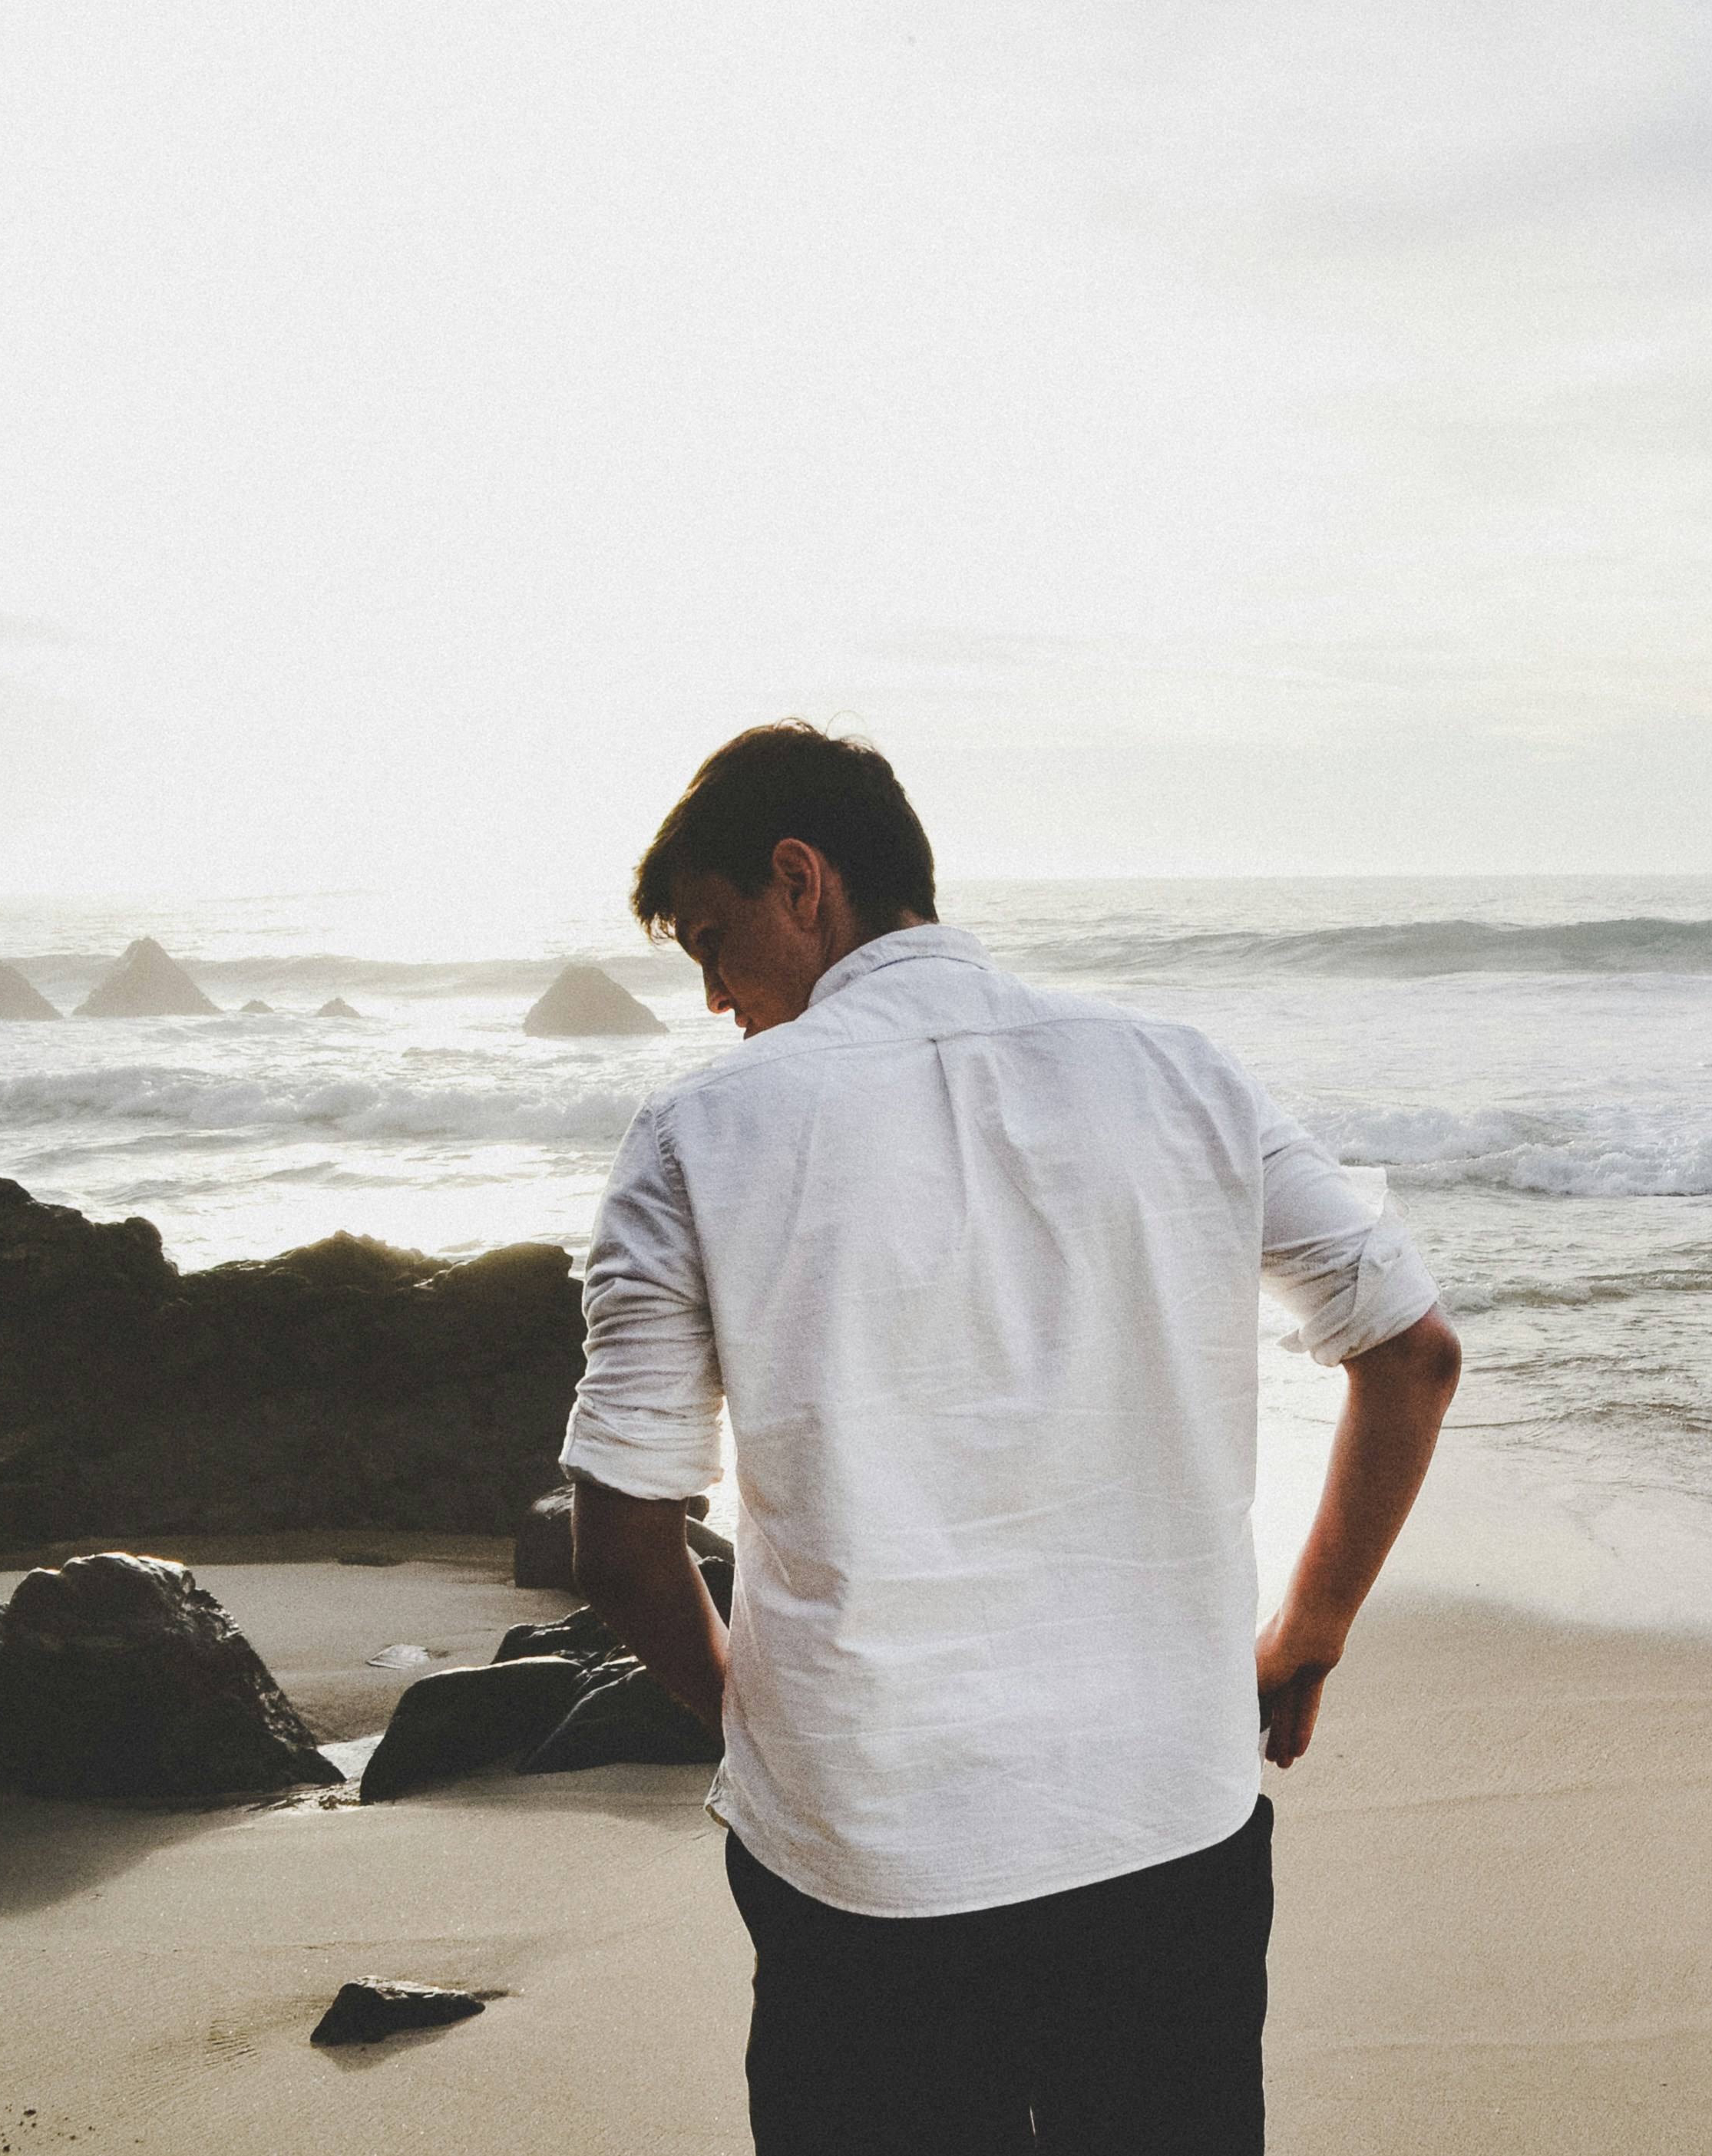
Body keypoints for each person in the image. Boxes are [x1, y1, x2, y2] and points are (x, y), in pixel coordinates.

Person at [561, 722, 1459, 2153]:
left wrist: (751, 1709)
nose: (717, 996)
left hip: (872, 1860)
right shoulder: (1181, 1075)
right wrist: (1311, 1631)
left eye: (718, 941)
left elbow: (620, 1536)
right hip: (1169, 1821)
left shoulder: (699, 1132)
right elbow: (1411, 1351)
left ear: (806, 880)